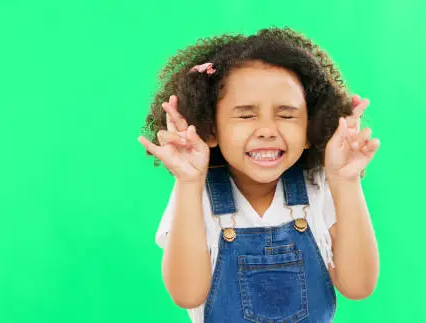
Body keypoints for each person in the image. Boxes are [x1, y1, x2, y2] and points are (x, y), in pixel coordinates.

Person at [138, 27, 380, 323]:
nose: (267, 129)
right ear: (211, 129)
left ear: (311, 129)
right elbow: (186, 295)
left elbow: (359, 286)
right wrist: (188, 183)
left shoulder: (319, 186)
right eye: (246, 114)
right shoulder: (195, 192)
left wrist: (346, 181)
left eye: (286, 114)